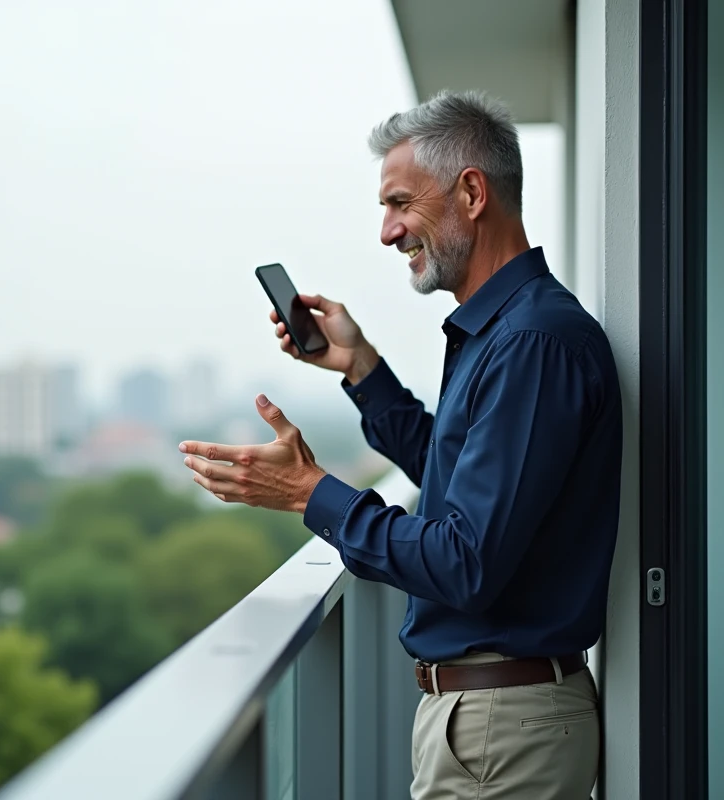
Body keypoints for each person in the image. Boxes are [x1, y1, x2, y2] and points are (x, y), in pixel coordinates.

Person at [179, 90, 622, 799]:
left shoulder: (532, 343)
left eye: (399, 204)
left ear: (472, 192)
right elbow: (454, 483)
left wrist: (309, 493)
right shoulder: (509, 334)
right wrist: (362, 368)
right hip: (488, 726)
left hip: (498, 734)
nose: (387, 232)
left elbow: (464, 561)